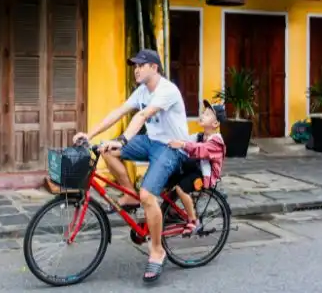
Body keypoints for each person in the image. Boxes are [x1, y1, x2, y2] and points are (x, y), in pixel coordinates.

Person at [72, 49, 189, 283]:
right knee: (106, 150)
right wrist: (90, 134)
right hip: (151, 142)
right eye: (134, 65)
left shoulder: (166, 90)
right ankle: (130, 194)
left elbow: (143, 115)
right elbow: (119, 112)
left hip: (171, 147)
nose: (136, 69)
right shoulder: (142, 90)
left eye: (140, 65)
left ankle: (157, 250)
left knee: (149, 196)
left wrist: (123, 140)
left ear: (154, 68)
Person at [166, 99, 227, 235]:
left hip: (204, 176)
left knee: (181, 189)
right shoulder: (200, 136)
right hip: (193, 168)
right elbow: (186, 139)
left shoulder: (216, 141)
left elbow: (200, 150)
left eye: (207, 114)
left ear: (215, 123)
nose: (202, 115)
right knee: (164, 180)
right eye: (203, 112)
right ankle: (172, 211)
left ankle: (193, 221)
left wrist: (182, 144)